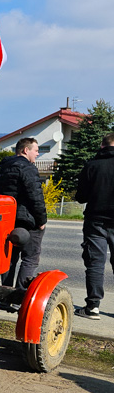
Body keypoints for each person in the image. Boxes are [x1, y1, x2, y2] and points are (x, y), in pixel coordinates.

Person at [0, 137, 47, 290]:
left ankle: (5, 293)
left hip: (7, 219)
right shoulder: (28, 169)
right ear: (25, 150)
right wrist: (41, 220)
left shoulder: (2, 168)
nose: (37, 154)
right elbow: (35, 197)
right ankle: (20, 295)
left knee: (10, 257)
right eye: (36, 150)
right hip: (28, 221)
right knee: (30, 258)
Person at [74, 132, 114, 320]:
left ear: (102, 146)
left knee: (95, 264)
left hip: (95, 220)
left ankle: (93, 307)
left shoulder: (91, 166)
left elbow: (81, 197)